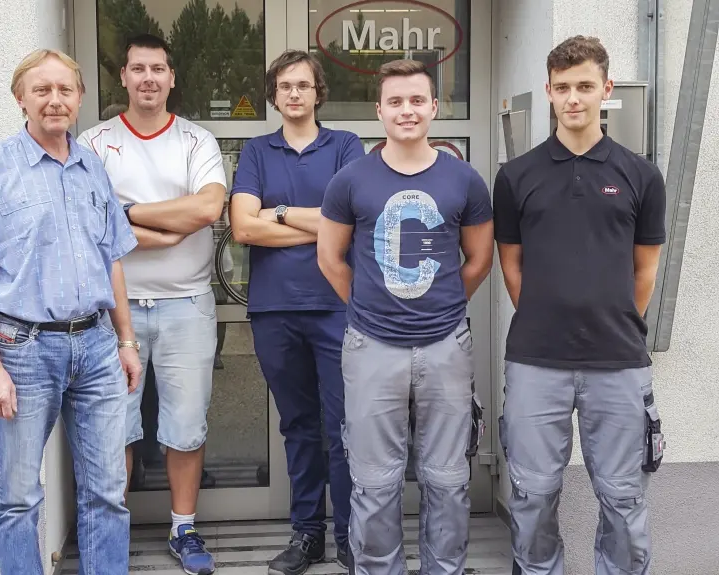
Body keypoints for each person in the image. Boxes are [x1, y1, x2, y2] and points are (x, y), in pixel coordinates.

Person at [0, 49, 142, 575]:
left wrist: (126, 341)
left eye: (64, 90)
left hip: (97, 348)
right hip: (23, 351)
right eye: (42, 90)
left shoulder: (92, 167)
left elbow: (112, 261)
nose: (55, 100)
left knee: (107, 493)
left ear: (79, 98)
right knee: (18, 498)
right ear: (21, 99)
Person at [493, 36, 666, 575]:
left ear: (605, 90)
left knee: (623, 500)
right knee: (533, 496)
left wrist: (610, 319)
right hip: (535, 361)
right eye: (563, 87)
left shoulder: (641, 175)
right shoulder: (515, 176)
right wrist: (548, 315)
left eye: (585, 86)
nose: (573, 98)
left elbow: (645, 271)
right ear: (548, 91)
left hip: (618, 361)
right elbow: (512, 267)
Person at [317, 59, 494, 575]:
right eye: (395, 101)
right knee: (374, 483)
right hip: (371, 345)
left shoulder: (464, 179)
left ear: (435, 107)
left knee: (448, 479)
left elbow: (479, 259)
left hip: (446, 346)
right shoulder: (350, 180)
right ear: (379, 110)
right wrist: (370, 305)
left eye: (417, 100)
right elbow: (330, 259)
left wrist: (442, 304)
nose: (407, 111)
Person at [77, 33, 226, 575]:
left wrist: (127, 214)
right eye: (137, 68)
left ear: (171, 77)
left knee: (186, 425)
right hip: (114, 310)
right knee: (114, 426)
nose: (148, 78)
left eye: (157, 69)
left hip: (188, 304)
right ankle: (110, 534)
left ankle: (184, 528)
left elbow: (208, 209)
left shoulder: (196, 140)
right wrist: (166, 225)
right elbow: (90, 221)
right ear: (122, 76)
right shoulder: (94, 142)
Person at [229, 49, 364, 575]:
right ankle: (307, 535)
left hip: (336, 307)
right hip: (275, 310)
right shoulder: (257, 151)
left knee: (344, 425)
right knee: (300, 426)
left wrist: (279, 212)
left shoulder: (345, 145)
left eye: (302, 85)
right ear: (274, 94)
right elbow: (244, 227)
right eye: (284, 86)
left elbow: (351, 220)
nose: (293, 93)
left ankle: (350, 537)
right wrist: (321, 225)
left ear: (317, 92)